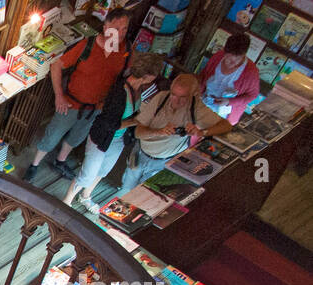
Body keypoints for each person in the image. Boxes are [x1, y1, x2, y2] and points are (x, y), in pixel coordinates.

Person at [22, 10, 131, 183]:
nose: (121, 33)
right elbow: (56, 65)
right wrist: (59, 96)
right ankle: (34, 164)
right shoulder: (87, 45)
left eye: (124, 28)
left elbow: (124, 78)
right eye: (116, 28)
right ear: (105, 27)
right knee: (53, 134)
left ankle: (61, 161)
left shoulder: (126, 51)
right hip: (72, 103)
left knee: (77, 136)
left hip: (96, 108)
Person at [64, 52, 163, 211]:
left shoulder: (139, 89)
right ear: (148, 76)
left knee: (103, 170)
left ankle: (85, 196)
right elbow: (111, 124)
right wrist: (135, 121)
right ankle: (66, 203)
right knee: (87, 174)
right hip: (102, 137)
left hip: (118, 139)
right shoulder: (120, 91)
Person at [119, 73, 233, 192]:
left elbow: (226, 126)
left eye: (182, 97)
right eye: (173, 94)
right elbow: (138, 132)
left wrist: (202, 132)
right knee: (127, 188)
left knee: (146, 192)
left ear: (194, 95)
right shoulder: (162, 98)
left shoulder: (196, 107)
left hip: (164, 162)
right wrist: (159, 132)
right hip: (141, 154)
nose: (175, 101)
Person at [198, 33, 261, 125]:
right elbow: (204, 75)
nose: (231, 62)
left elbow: (252, 95)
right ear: (225, 50)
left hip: (224, 115)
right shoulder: (218, 56)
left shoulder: (251, 71)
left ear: (244, 54)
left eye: (237, 59)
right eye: (228, 57)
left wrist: (229, 101)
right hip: (203, 102)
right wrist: (198, 91)